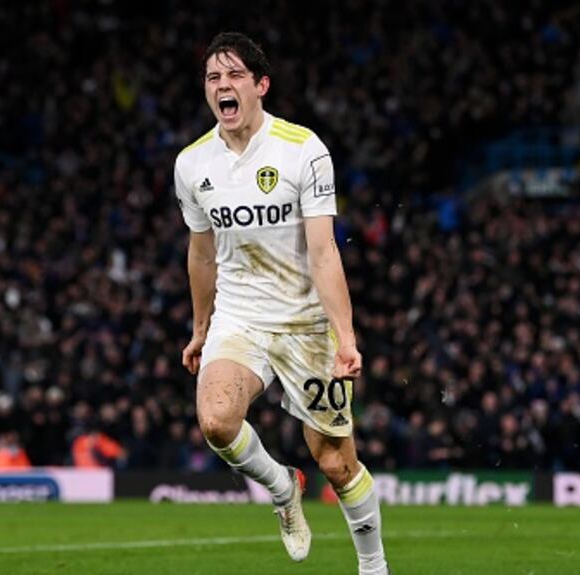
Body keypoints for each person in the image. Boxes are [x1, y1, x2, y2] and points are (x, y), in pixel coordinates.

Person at [173, 32, 390, 574]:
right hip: (241, 317)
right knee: (217, 420)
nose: (222, 86)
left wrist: (346, 338)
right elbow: (202, 255)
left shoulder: (303, 149)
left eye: (233, 76)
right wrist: (201, 329)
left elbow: (323, 252)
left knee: (337, 463)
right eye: (212, 78)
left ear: (260, 85)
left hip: (305, 323)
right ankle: (281, 486)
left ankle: (374, 568)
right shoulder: (192, 164)